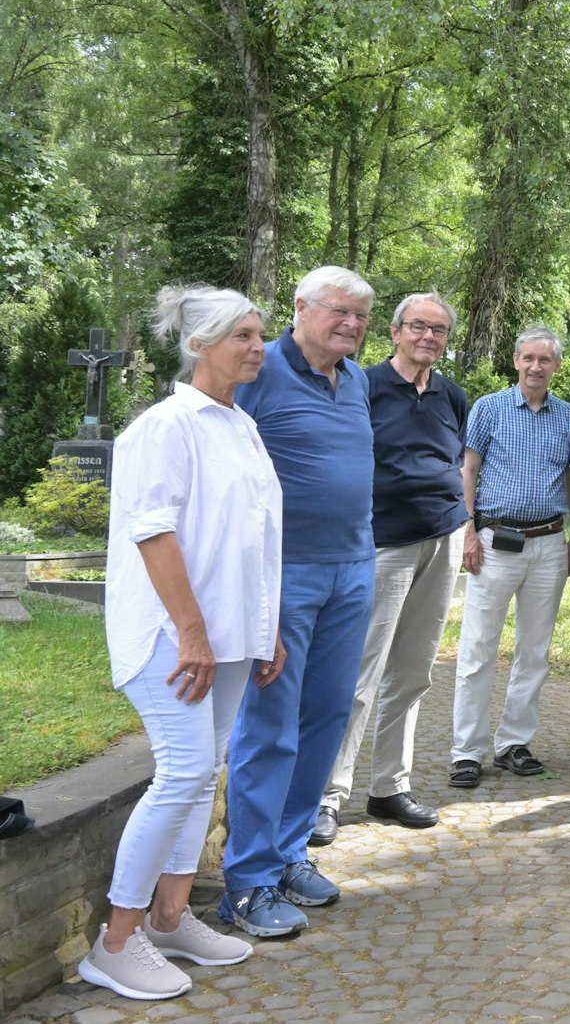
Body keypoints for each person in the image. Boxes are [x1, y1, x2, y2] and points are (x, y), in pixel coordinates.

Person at [80, 286, 282, 1000]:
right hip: (170, 634)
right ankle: (115, 940)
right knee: (183, 769)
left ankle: (169, 917)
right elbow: (153, 533)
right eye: (243, 335)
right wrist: (192, 633)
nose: (258, 346)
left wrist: (266, 628)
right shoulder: (165, 427)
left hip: (227, 634)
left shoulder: (241, 426)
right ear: (200, 345)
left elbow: (251, 538)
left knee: (204, 771)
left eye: (261, 334)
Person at [222, 266, 377, 937]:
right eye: (339, 312)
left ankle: (287, 855)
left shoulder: (359, 378)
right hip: (285, 577)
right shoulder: (261, 372)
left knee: (326, 717)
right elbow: (231, 479)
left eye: (361, 316)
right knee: (270, 725)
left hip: (352, 569)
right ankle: (247, 883)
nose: (350, 324)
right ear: (301, 309)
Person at [313, 292, 469, 846]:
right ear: (397, 332)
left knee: (414, 671)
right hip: (383, 544)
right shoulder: (362, 385)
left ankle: (388, 788)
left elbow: (456, 461)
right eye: (419, 327)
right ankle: (328, 795)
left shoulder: (452, 394)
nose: (429, 337)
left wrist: (464, 523)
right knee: (360, 673)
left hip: (444, 539)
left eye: (439, 330)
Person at [449, 326, 570, 789]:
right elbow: (468, 469)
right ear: (515, 360)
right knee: (477, 648)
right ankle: (466, 751)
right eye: (528, 358)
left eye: (545, 360)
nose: (536, 367)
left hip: (549, 544)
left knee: (534, 651)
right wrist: (467, 532)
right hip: (493, 542)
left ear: (556, 367)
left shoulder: (569, 417)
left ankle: (513, 744)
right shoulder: (487, 408)